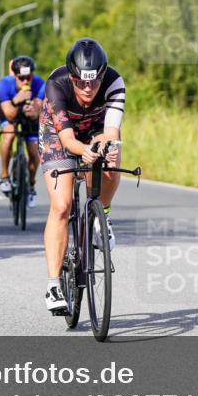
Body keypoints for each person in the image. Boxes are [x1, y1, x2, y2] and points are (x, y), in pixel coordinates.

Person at [39, 38, 125, 311]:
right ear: (72, 77)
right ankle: (53, 285)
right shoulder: (56, 84)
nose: (88, 88)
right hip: (58, 133)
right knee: (61, 205)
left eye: (94, 82)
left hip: (95, 128)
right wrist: (84, 151)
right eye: (81, 82)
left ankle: (102, 216)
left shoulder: (114, 82)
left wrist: (104, 149)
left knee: (110, 159)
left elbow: (111, 131)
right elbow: (66, 140)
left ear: (102, 75)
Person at [0, 55, 44, 208]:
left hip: (30, 117)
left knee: (34, 150)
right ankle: (4, 175)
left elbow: (38, 110)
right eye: (21, 78)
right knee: (9, 136)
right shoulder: (4, 84)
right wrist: (17, 99)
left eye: (28, 77)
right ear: (14, 76)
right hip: (10, 112)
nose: (25, 81)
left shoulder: (39, 84)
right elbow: (9, 113)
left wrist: (34, 111)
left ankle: (30, 185)